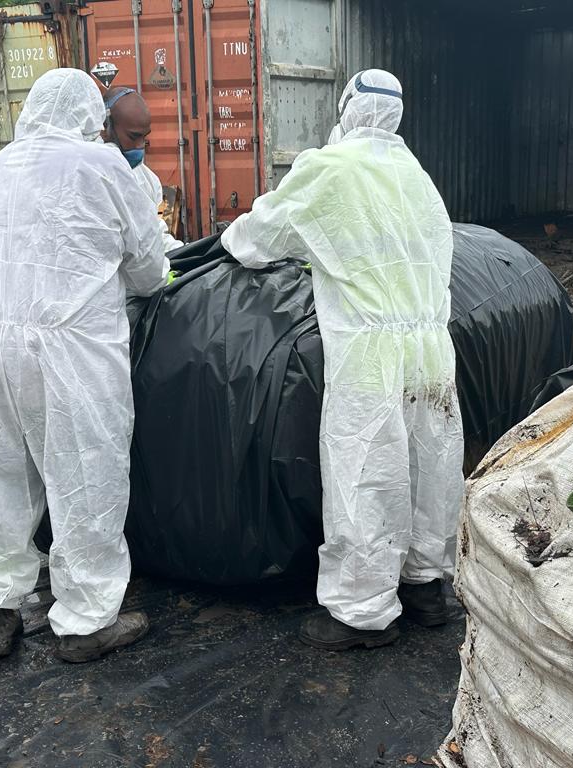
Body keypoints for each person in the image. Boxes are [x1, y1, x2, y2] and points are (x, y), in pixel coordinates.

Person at [221, 69, 465, 651]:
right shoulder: (418, 176)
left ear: (348, 109)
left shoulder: (328, 168)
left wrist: (228, 241)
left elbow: (259, 239)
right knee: (429, 465)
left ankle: (361, 609)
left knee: (367, 472)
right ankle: (427, 588)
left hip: (369, 350)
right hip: (432, 348)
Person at [0, 68, 170, 663]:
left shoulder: (5, 163)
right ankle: (84, 620)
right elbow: (150, 269)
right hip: (70, 348)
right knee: (84, 476)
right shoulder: (101, 165)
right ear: (89, 117)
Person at [103, 85, 185, 253]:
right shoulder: (87, 176)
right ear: (106, 126)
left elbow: (155, 235)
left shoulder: (146, 180)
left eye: (144, 137)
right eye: (133, 136)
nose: (140, 146)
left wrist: (186, 254)